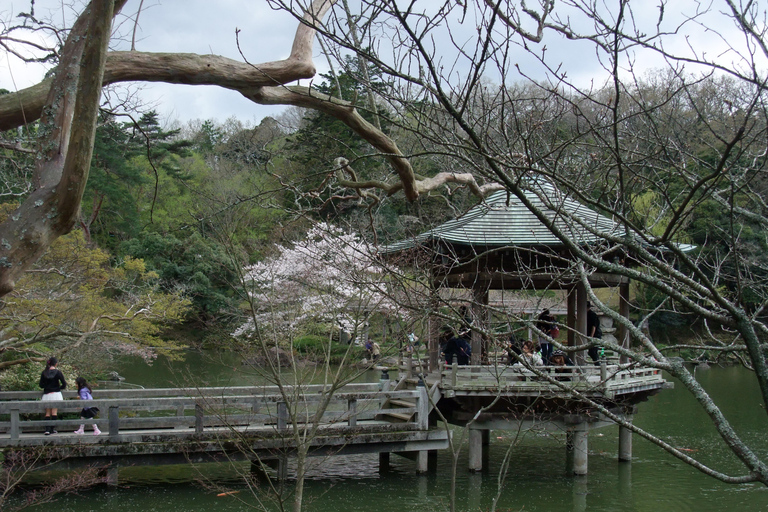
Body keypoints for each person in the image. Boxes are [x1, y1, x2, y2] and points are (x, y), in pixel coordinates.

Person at [39, 357, 67, 435]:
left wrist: (47, 387)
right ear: (56, 364)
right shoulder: (58, 372)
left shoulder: (44, 372)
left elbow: (41, 385)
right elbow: (64, 384)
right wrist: (59, 388)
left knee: (47, 412)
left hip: (47, 394)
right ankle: (52, 429)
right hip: (56, 394)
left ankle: (47, 430)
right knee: (54, 412)